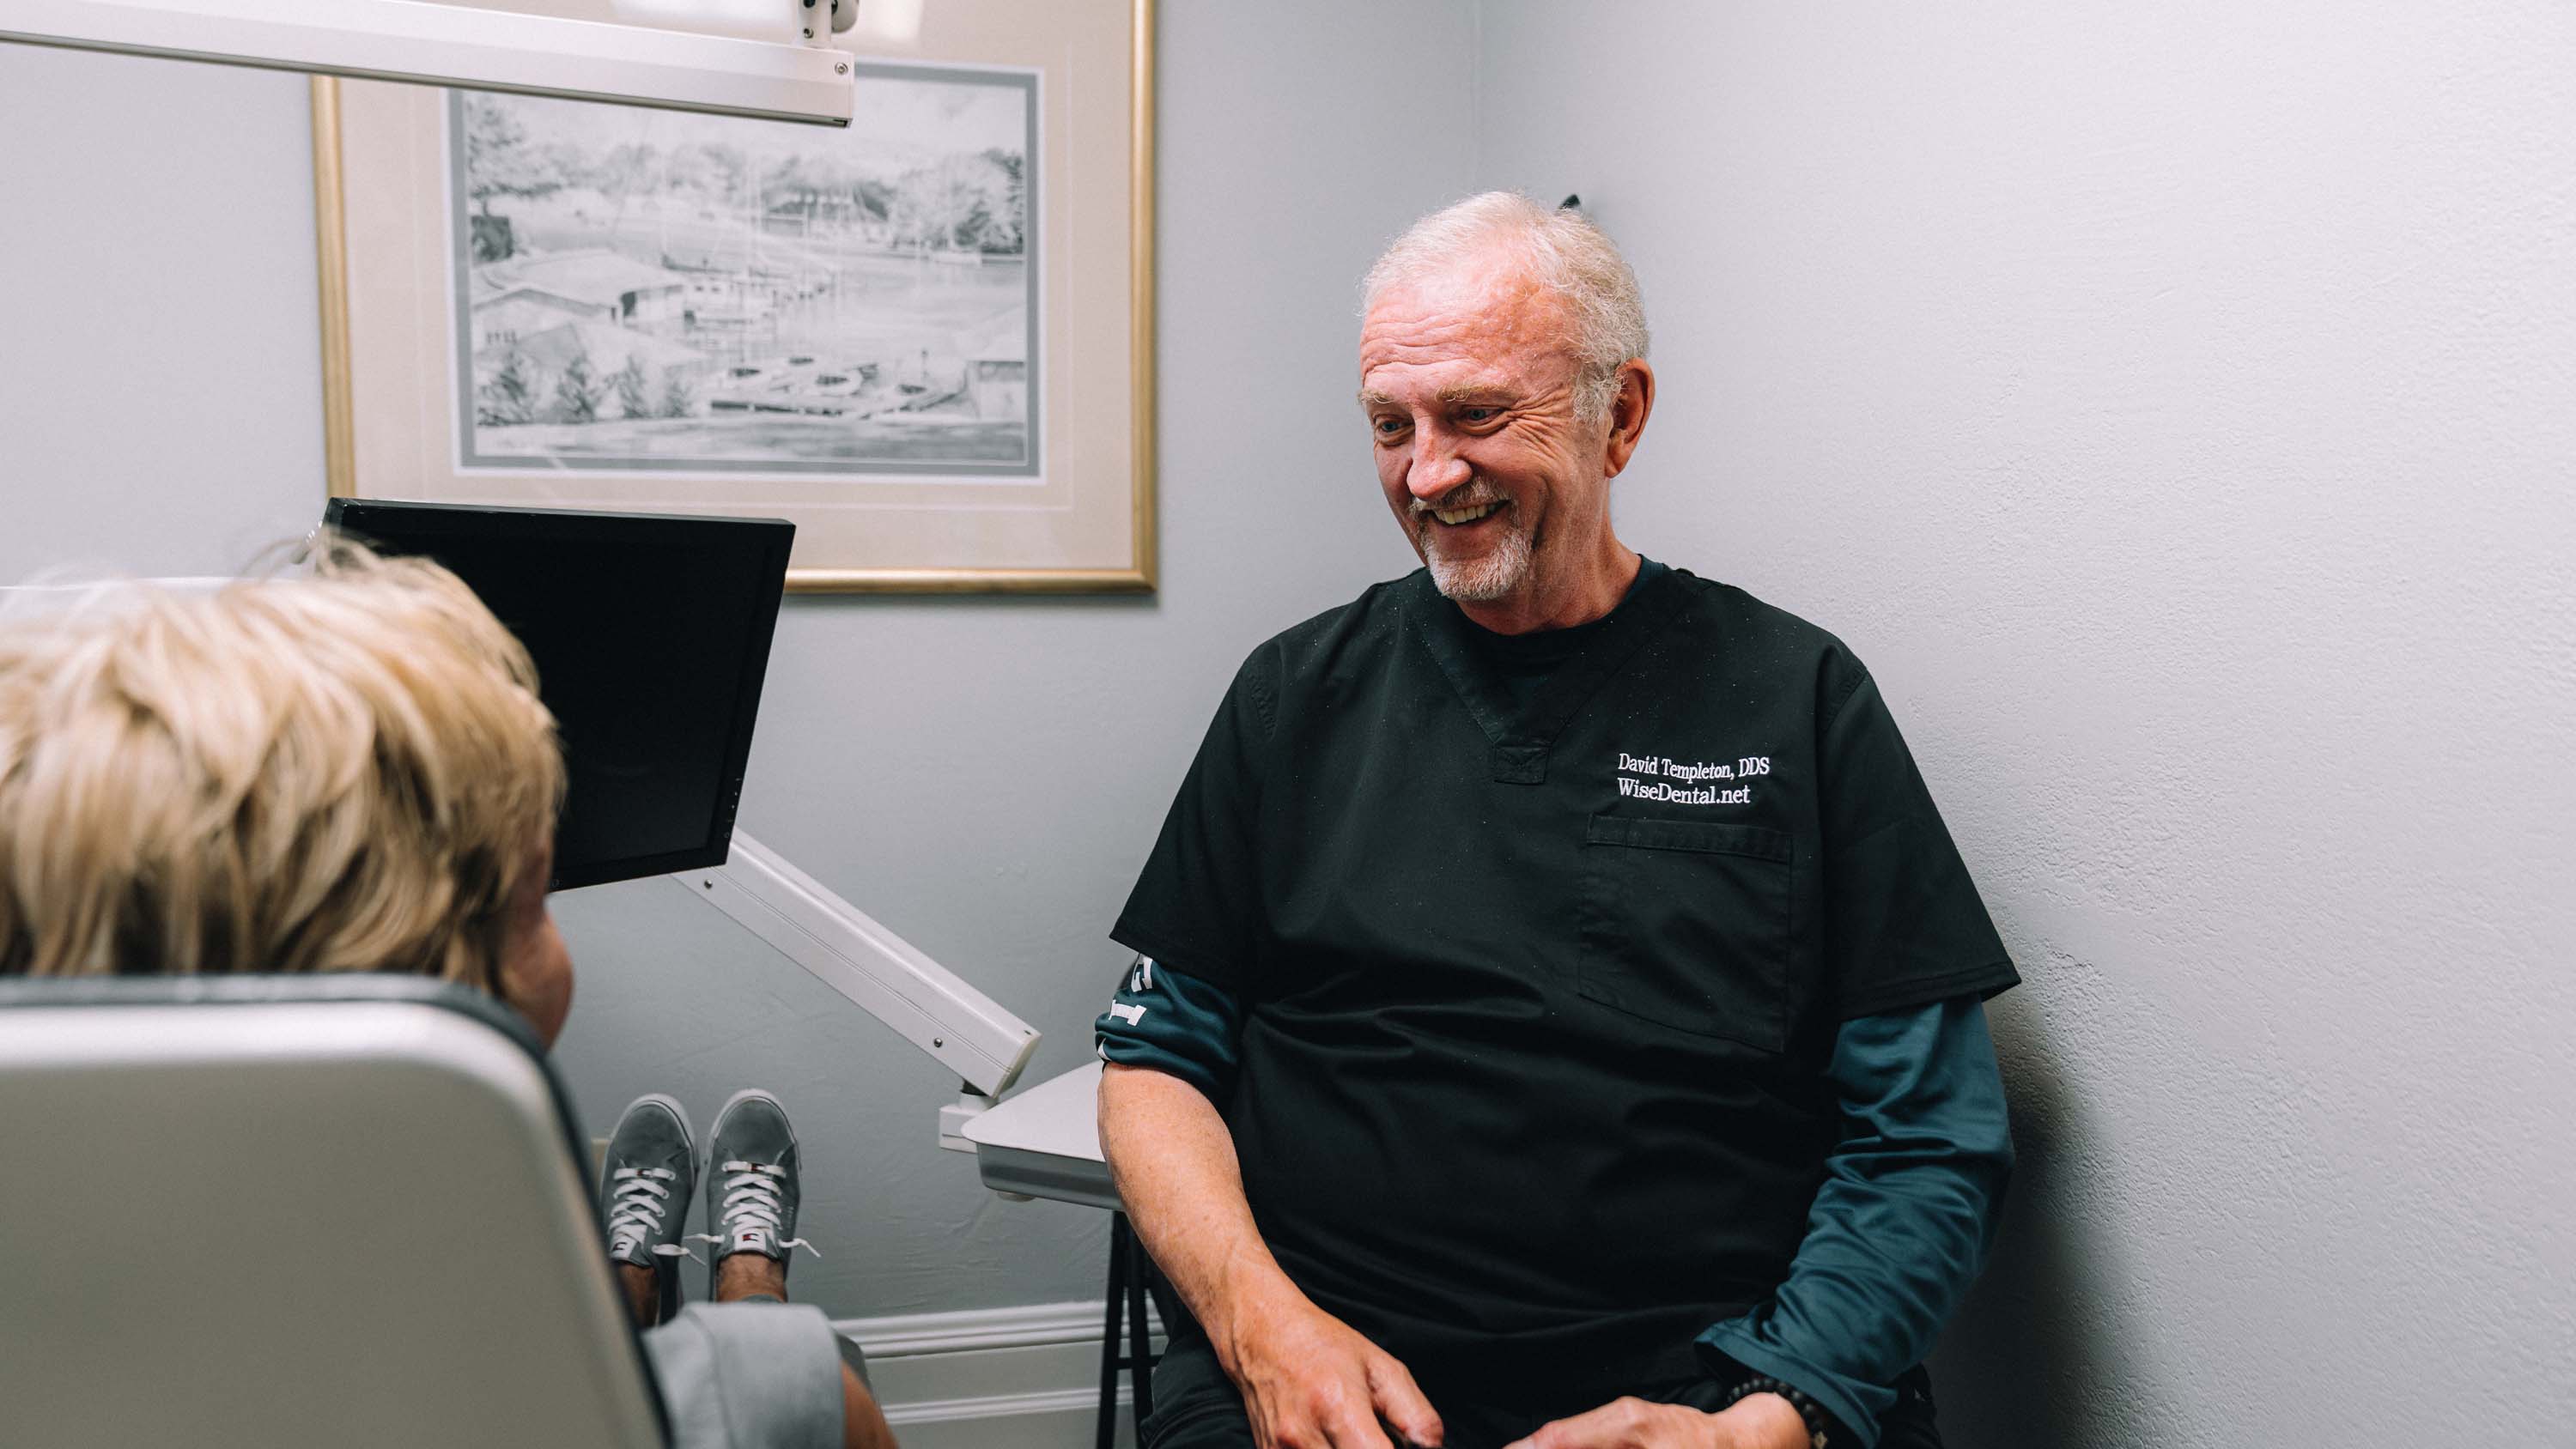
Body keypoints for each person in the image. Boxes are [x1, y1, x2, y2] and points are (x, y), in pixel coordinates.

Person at [1095, 192, 2019, 1449]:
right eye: (1389, 426)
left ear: (1619, 416)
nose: (1427, 473)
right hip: (1326, 1371)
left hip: (1698, 1387)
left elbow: (1927, 1140)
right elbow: (1157, 1065)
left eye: (1475, 414)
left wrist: (1766, 1415)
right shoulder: (1294, 697)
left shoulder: (1796, 700)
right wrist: (1262, 1327)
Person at [0, 543, 895, 1449]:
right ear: (427, 1017)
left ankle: (627, 1287)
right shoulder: (777, 1395)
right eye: (536, 899)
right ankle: (738, 1288)